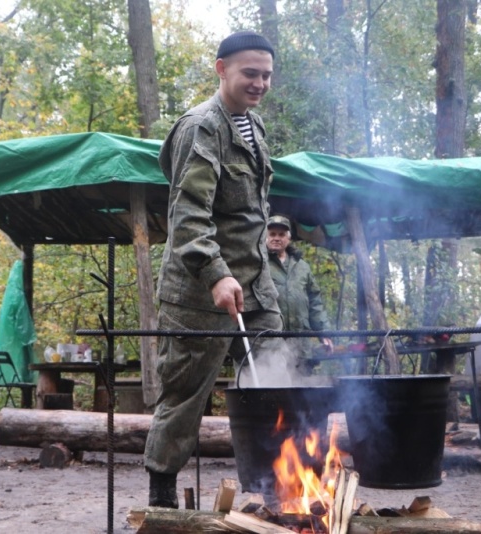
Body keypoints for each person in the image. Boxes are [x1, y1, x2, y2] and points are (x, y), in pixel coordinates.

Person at [144, 30, 288, 508]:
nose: (260, 83)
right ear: (221, 69)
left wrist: (252, 274)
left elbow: (251, 214)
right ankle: (162, 495)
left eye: (266, 74)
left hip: (255, 284)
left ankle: (276, 491)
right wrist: (215, 273)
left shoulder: (255, 127)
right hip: (199, 288)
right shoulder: (202, 126)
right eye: (250, 73)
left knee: (274, 382)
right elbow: (188, 215)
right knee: (184, 396)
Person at [266, 215, 333, 365]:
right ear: (266, 237)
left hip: (301, 344)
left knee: (302, 386)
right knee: (273, 385)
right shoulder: (259, 264)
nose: (276, 238)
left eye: (281, 234)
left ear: (288, 238)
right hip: (270, 343)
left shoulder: (302, 266)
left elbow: (315, 301)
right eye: (272, 234)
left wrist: (324, 333)